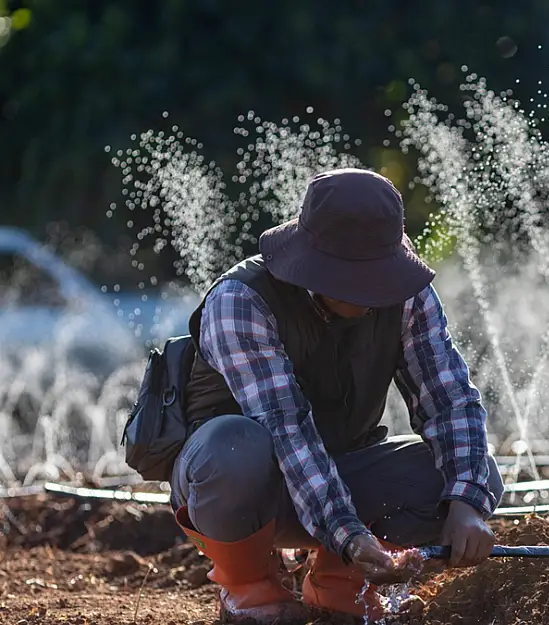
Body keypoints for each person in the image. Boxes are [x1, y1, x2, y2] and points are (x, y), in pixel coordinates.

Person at [170, 168, 504, 623]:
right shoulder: (241, 301)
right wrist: (345, 530)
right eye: (357, 278)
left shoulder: (407, 295)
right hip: (241, 486)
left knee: (474, 471)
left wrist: (468, 502)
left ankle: (340, 584)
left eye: (378, 275)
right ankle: (249, 591)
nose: (373, 292)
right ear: (314, 266)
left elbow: (449, 400)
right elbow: (285, 428)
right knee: (233, 446)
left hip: (342, 472)